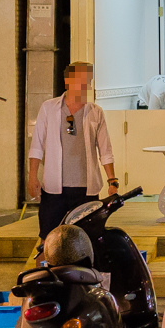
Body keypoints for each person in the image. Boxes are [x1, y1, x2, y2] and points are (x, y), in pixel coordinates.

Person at [28, 62, 118, 243]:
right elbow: (37, 145)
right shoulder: (49, 108)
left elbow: (105, 149)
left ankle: (85, 271)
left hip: (86, 189)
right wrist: (32, 176)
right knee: (49, 239)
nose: (87, 86)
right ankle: (47, 270)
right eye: (82, 81)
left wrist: (112, 180)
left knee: (86, 239)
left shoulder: (95, 112)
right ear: (68, 80)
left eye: (89, 82)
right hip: (54, 189)